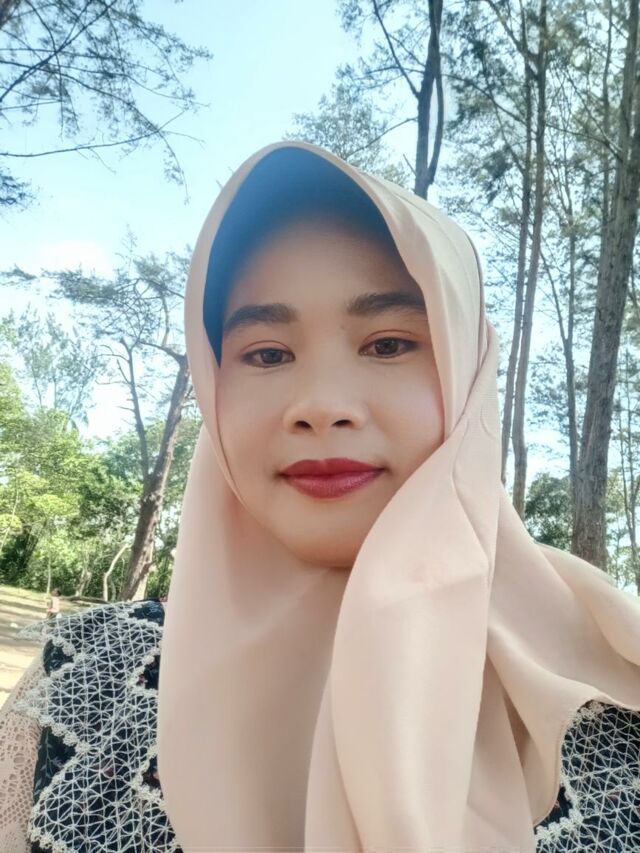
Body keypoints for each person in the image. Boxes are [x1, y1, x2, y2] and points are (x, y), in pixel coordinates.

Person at [2, 141, 640, 852]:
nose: (322, 406)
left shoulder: (617, 708)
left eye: (389, 344)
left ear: (467, 371)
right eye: (268, 353)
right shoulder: (81, 685)